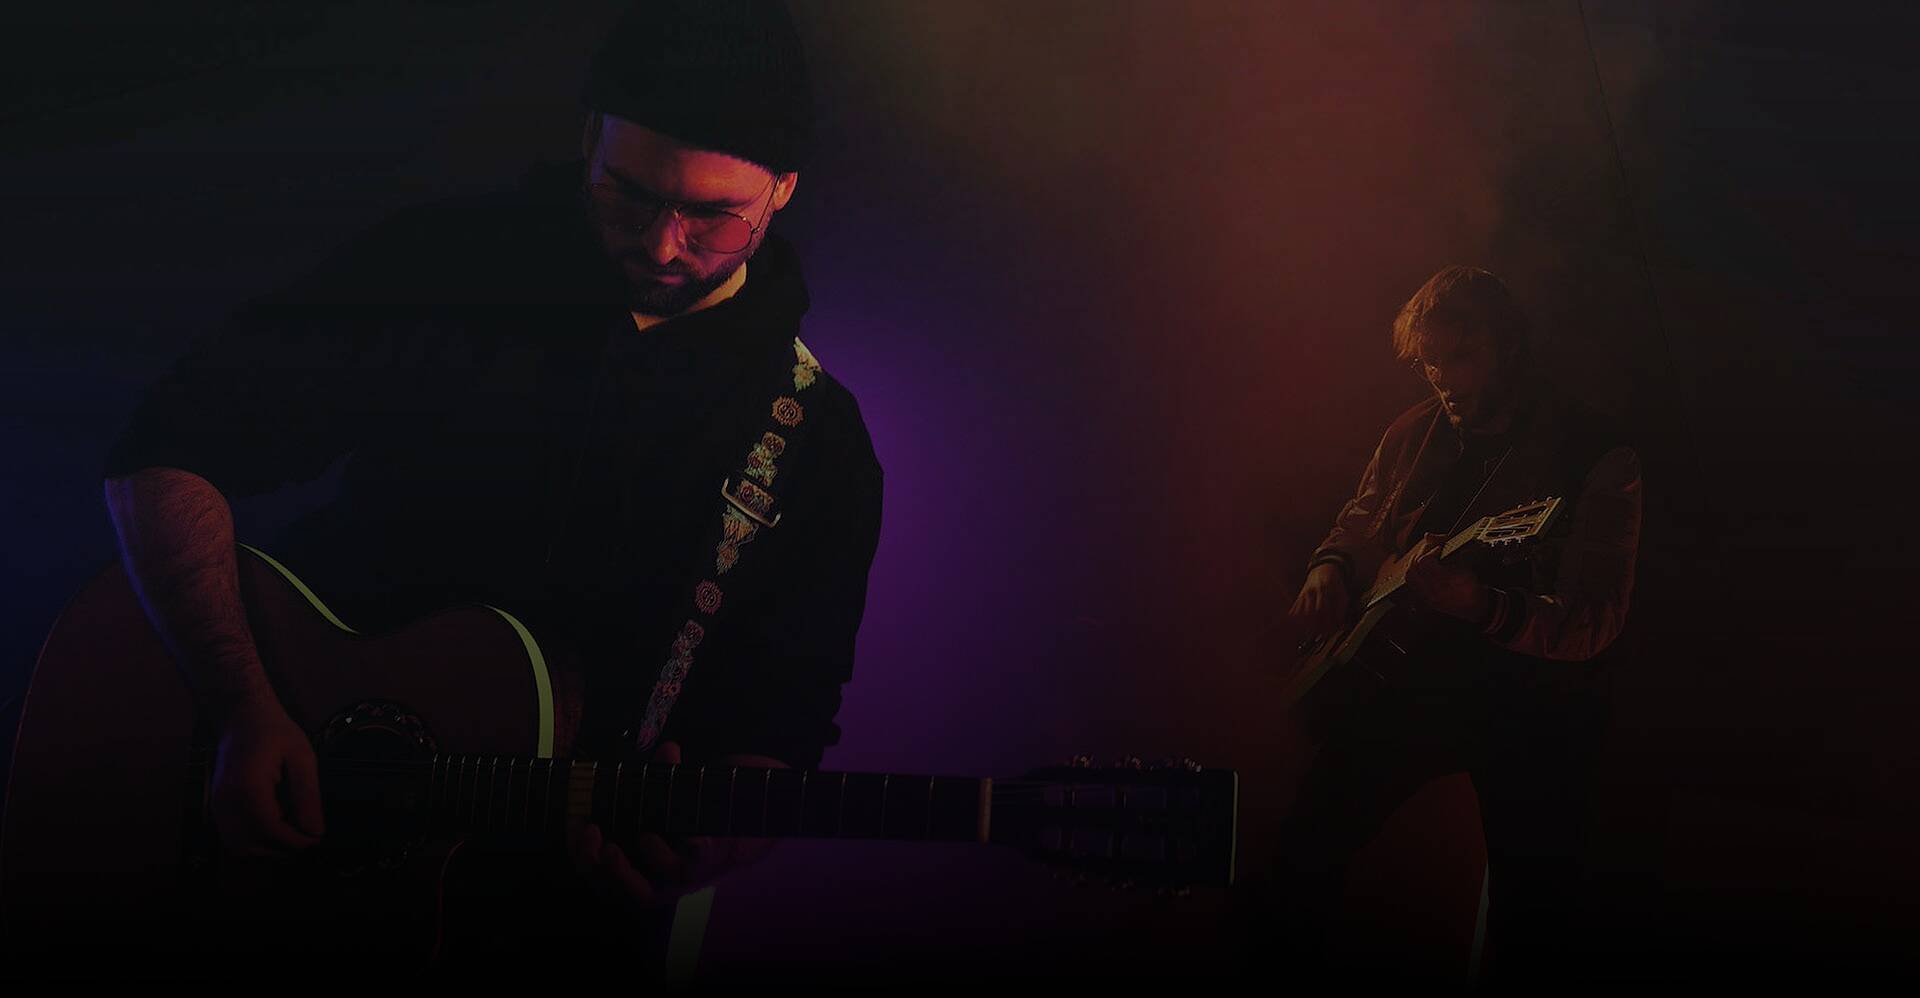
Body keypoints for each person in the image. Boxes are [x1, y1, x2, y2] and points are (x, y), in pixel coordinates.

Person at [99, 0, 881, 975]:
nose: (661, 243)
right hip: (267, 889)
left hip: (544, 930)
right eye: (629, 194)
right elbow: (162, 451)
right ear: (589, 140)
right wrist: (243, 708)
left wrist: (711, 842)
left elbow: (785, 725)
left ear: (782, 193)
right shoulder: (446, 266)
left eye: (712, 217)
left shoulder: (817, 446)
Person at [1257, 265, 1642, 981]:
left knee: (1533, 914)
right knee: (1298, 852)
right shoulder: (1412, 432)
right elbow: (1360, 521)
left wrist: (1484, 606)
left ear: (1509, 345)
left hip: (1531, 702)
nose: (1442, 379)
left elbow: (1596, 618)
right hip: (1412, 683)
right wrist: (1329, 567)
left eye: (1461, 357)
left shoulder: (1596, 452)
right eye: (1429, 361)